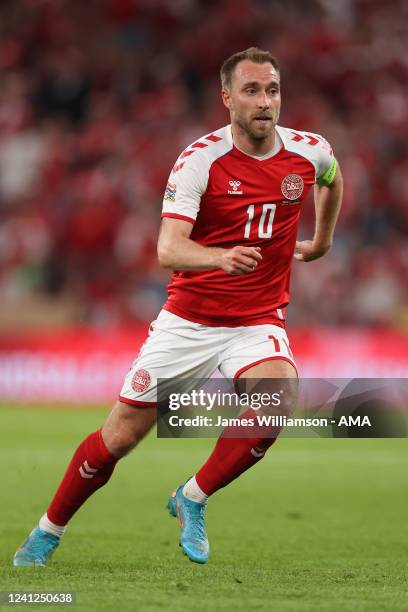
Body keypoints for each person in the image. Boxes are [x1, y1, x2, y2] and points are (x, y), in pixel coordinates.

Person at [14, 47, 343, 566]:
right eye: (252, 90)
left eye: (273, 90)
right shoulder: (200, 160)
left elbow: (332, 177)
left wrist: (321, 241)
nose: (265, 101)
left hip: (257, 321)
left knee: (278, 399)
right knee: (119, 438)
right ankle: (47, 531)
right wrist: (219, 257)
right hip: (189, 322)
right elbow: (169, 249)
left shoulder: (308, 151)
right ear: (227, 98)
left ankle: (192, 497)